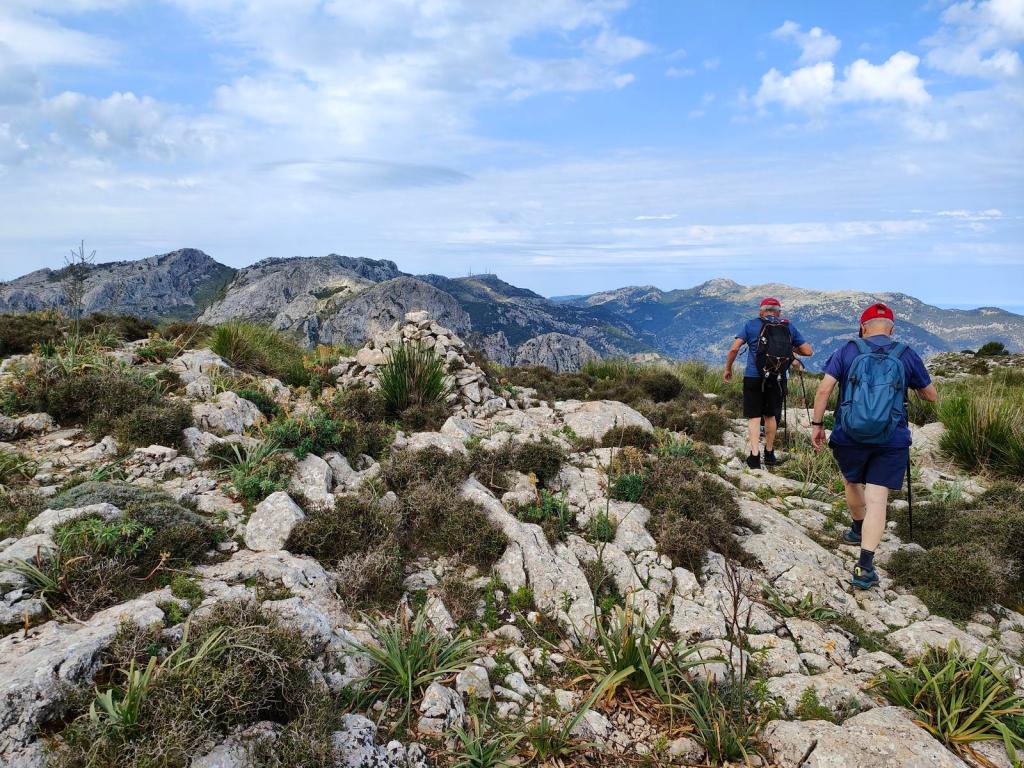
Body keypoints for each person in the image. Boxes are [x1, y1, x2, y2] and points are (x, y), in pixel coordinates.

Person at [811, 302, 937, 590]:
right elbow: (930, 396)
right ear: (891, 329)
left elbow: (823, 389)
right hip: (890, 437)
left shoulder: (848, 349)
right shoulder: (905, 353)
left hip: (849, 434)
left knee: (851, 480)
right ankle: (865, 566)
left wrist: (817, 426)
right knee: (878, 499)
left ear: (862, 326)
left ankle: (857, 527)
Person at [724, 297, 812, 469]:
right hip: (778, 377)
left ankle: (755, 456)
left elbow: (734, 348)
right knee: (771, 415)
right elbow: (807, 351)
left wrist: (728, 368)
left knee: (755, 416)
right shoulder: (788, 327)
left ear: (761, 311)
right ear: (779, 312)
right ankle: (770, 454)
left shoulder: (751, 325)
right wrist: (789, 346)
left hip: (753, 376)